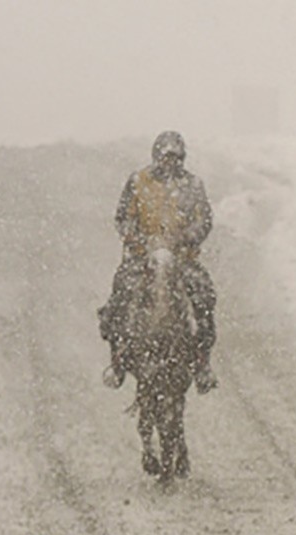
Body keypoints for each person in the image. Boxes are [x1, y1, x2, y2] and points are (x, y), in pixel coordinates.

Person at [98, 131, 218, 394]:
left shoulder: (193, 185)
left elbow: (204, 220)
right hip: (143, 257)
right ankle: (117, 360)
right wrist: (139, 240)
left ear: (183, 159)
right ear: (156, 157)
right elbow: (123, 217)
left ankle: (202, 364)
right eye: (165, 157)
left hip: (182, 259)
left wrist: (185, 239)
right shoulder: (138, 181)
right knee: (120, 294)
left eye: (176, 158)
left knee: (204, 296)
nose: (170, 163)